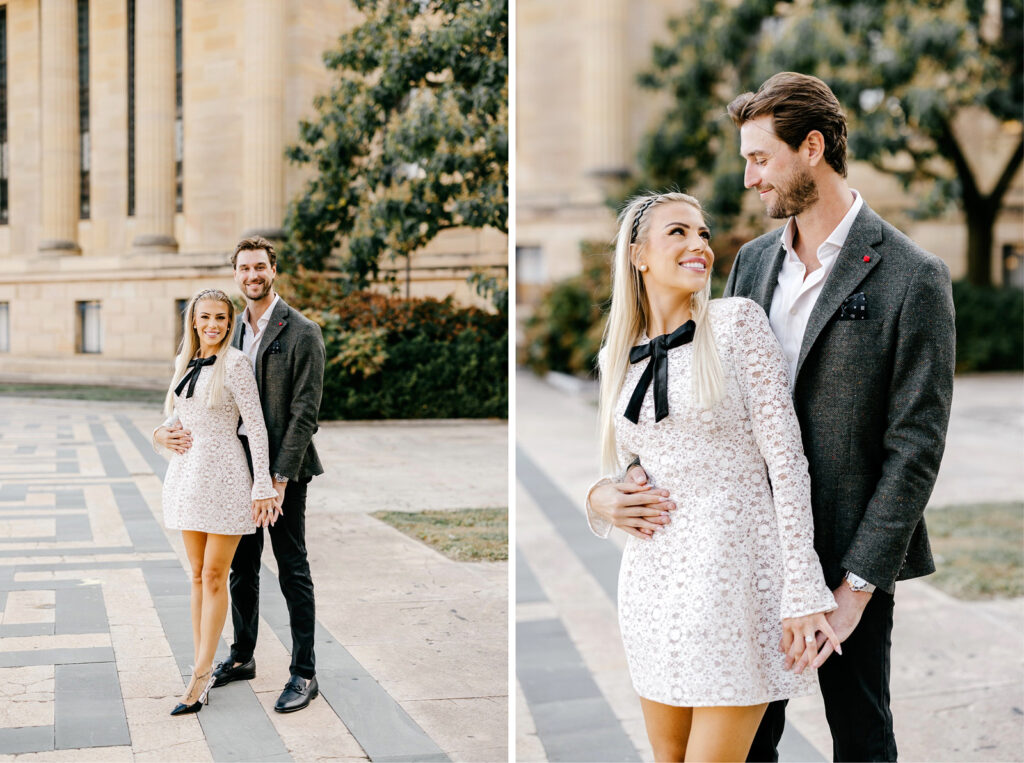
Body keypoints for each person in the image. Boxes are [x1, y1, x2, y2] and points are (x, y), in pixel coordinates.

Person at [590, 72, 955, 762]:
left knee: (862, 736)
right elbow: (696, 404)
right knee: (749, 745)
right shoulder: (752, 265)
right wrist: (608, 490)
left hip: (848, 553)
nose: (751, 178)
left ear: (811, 147)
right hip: (739, 558)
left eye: (760, 158)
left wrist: (851, 591)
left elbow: (916, 447)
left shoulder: (914, 276)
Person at [585, 190, 841, 762]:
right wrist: (598, 497)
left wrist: (802, 588)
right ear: (638, 255)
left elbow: (787, 461)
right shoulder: (615, 355)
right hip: (653, 583)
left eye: (702, 233)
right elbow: (625, 464)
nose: (698, 244)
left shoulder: (737, 324)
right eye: (677, 232)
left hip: (735, 579)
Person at [156, 236, 326, 713]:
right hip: (228, 469)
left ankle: (304, 672)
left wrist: (276, 479)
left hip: (280, 472)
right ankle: (243, 655)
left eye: (260, 268)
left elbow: (304, 413)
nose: (252, 276)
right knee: (239, 571)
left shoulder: (302, 331)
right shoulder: (228, 329)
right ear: (236, 274)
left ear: (273, 270)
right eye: (244, 269)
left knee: (292, 567)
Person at [156, 288, 279, 716]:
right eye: (205, 317)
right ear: (193, 320)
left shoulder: (237, 363)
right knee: (196, 575)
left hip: (226, 475)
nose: (213, 325)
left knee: (214, 575)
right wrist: (158, 435)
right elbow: (175, 417)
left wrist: (262, 484)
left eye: (221, 319)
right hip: (188, 474)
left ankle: (201, 674)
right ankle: (200, 662)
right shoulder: (184, 363)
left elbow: (257, 428)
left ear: (229, 323)